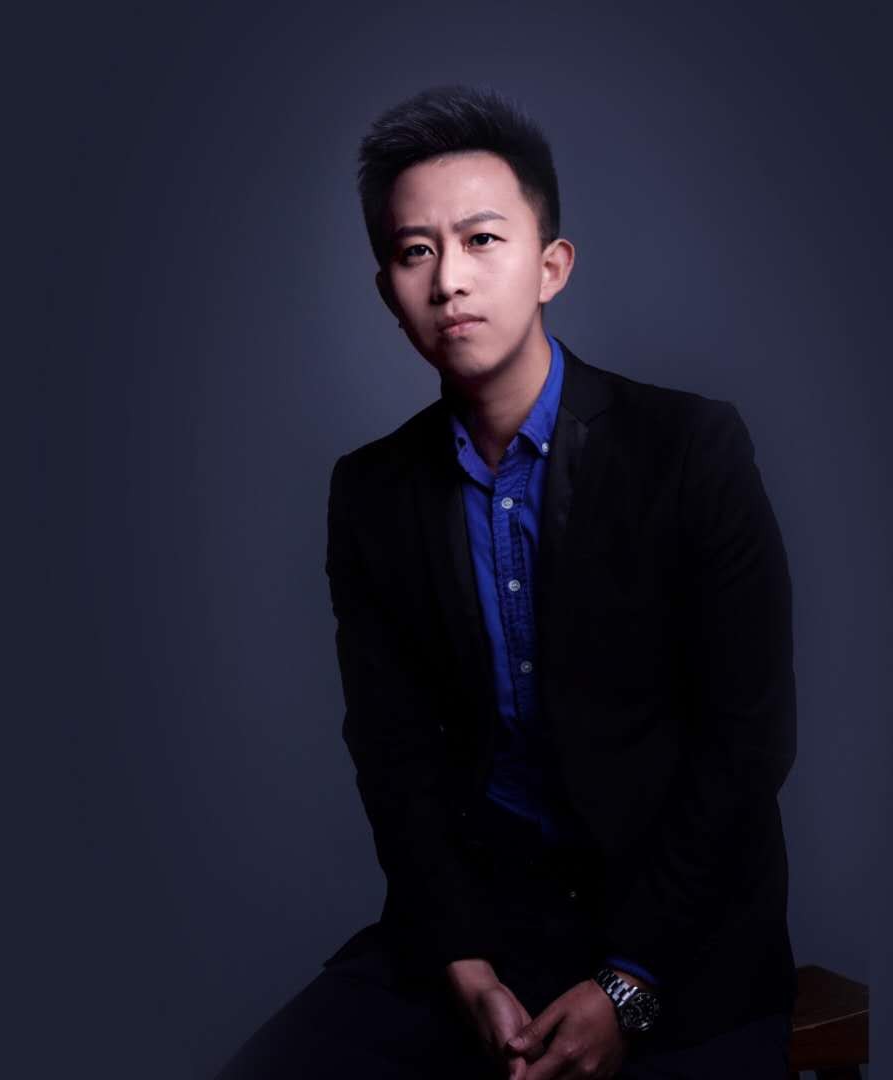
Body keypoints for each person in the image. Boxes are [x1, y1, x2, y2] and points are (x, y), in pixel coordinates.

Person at [216, 84, 798, 1080]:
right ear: (387, 290)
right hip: (482, 927)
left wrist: (628, 984)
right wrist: (462, 962)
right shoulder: (373, 492)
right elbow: (394, 755)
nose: (449, 280)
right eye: (415, 252)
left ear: (551, 266)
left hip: (680, 935)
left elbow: (748, 743)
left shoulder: (688, 450)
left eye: (482, 240)